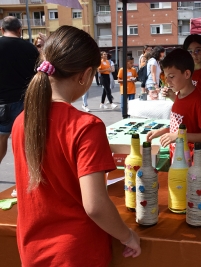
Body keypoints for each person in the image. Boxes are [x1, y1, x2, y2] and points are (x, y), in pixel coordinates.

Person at [12, 25, 141, 267]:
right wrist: (128, 236)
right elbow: (95, 205)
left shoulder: (22, 121)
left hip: (32, 250)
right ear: (85, 75)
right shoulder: (86, 125)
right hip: (76, 253)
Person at [147, 48, 201, 157]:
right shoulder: (179, 95)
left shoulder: (199, 101)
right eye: (166, 76)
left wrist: (179, 136)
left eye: (172, 76)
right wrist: (163, 131)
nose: (167, 81)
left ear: (187, 74)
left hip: (193, 164)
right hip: (177, 158)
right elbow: (181, 128)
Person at [0, 16, 39, 164]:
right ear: (19, 30)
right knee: (25, 141)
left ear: (2, 29)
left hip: (2, 104)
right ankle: (25, 177)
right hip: (24, 103)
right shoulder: (29, 48)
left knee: (1, 138)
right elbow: (37, 75)